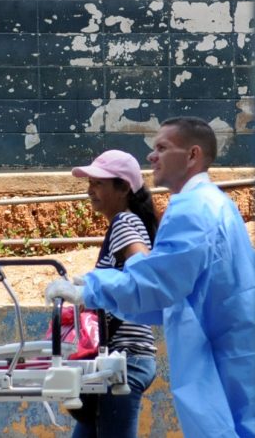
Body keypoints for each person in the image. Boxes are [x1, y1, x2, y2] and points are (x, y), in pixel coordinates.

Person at [45, 117, 255, 438]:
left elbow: (156, 284)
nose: (151, 157)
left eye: (161, 147)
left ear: (192, 155)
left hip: (215, 359)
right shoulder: (213, 205)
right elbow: (168, 297)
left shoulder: (193, 209)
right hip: (227, 354)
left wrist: (92, 289)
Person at [67, 149, 158, 438]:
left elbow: (143, 268)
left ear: (124, 188)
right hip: (117, 359)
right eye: (90, 183)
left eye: (99, 184)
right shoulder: (129, 222)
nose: (90, 191)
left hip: (125, 360)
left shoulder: (124, 222)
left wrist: (96, 287)